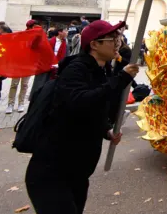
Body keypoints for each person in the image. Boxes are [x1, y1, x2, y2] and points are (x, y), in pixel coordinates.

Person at [25, 20, 137, 214]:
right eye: (113, 38)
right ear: (94, 44)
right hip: (52, 172)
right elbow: (80, 101)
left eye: (118, 37)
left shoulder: (102, 71)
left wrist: (107, 131)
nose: (118, 42)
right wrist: (122, 79)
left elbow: (94, 111)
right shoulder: (75, 69)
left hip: (78, 172)